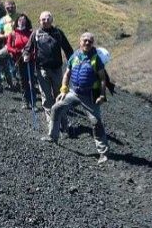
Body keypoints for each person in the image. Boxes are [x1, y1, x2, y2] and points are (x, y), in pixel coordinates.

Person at [43, 32, 110, 164]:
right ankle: (53, 136)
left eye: (90, 41)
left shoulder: (96, 59)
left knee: (96, 122)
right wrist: (63, 90)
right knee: (56, 108)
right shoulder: (75, 56)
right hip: (74, 92)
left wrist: (102, 95)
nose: (87, 43)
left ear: (93, 43)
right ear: (80, 42)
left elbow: (103, 79)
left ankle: (103, 152)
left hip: (90, 96)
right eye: (84, 40)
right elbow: (67, 74)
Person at [23, 11, 73, 127]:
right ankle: (51, 124)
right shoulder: (36, 33)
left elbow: (68, 49)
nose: (45, 21)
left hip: (56, 70)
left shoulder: (58, 33)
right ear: (39, 21)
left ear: (52, 20)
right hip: (42, 70)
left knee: (59, 96)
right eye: (43, 19)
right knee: (46, 97)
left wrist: (72, 62)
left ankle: (63, 122)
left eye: (47, 19)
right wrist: (26, 54)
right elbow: (27, 48)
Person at [6, 14, 35, 109]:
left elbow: (35, 46)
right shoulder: (13, 33)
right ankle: (25, 101)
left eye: (24, 20)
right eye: (20, 20)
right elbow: (9, 47)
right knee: (23, 81)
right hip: (19, 60)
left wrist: (30, 54)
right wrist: (18, 51)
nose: (22, 22)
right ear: (17, 21)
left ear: (26, 22)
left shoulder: (31, 33)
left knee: (32, 80)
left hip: (30, 60)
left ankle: (33, 102)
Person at [0, 0, 18, 92]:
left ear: (15, 7)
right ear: (5, 8)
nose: (10, 9)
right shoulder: (2, 20)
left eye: (12, 7)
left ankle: (21, 88)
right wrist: (8, 35)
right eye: (8, 7)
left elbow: (28, 30)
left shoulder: (21, 17)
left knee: (16, 68)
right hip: (7, 46)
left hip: (20, 47)